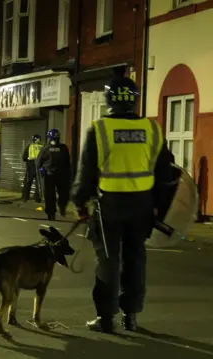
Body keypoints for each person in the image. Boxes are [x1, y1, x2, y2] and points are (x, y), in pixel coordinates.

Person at [72, 75, 174, 333]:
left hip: (110, 207)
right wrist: (160, 210)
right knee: (135, 260)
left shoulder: (99, 129)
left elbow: (86, 172)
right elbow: (165, 175)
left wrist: (79, 202)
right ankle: (131, 316)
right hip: (142, 206)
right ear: (135, 100)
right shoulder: (152, 129)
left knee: (108, 261)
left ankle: (106, 319)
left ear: (109, 100)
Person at [36, 129, 71, 221]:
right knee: (63, 194)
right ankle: (61, 206)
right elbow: (68, 162)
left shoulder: (45, 148)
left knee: (50, 196)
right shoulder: (64, 148)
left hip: (49, 176)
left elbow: (38, 162)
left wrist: (42, 169)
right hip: (61, 175)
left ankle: (51, 213)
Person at [22, 134, 43, 202]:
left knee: (28, 182)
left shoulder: (29, 146)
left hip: (30, 166)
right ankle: (37, 198)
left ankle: (25, 197)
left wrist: (28, 160)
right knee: (38, 183)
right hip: (39, 166)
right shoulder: (42, 147)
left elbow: (24, 157)